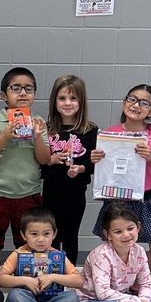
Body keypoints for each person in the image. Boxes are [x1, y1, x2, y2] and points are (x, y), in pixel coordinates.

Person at [91, 84, 151, 274]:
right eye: (132, 99)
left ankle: (139, 284)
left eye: (144, 103)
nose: (136, 105)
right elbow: (105, 169)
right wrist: (96, 160)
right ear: (124, 102)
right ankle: (117, 283)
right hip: (117, 199)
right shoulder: (110, 133)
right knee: (117, 247)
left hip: (147, 198)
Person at [0, 67, 51, 278]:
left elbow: (44, 159)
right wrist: (4, 136)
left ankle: (26, 278)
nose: (22, 93)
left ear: (34, 94)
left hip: (28, 193)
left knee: (27, 240)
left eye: (29, 89)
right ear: (4, 95)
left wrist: (37, 136)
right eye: (16, 88)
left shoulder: (38, 122)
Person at [0, 206, 88, 302]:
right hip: (26, 301)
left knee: (72, 299)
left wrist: (54, 277)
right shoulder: (19, 254)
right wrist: (25, 280)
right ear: (23, 235)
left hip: (51, 300)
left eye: (46, 234)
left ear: (54, 234)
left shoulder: (57, 255)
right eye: (34, 234)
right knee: (15, 295)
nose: (40, 239)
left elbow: (79, 281)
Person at [41, 74, 98, 264]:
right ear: (54, 101)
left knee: (71, 236)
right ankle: (52, 276)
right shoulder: (46, 129)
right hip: (51, 192)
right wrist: (51, 160)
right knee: (52, 235)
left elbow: (95, 162)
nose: (68, 103)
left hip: (76, 193)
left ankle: (70, 276)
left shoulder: (90, 130)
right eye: (62, 98)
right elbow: (38, 163)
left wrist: (81, 168)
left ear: (81, 101)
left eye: (73, 98)